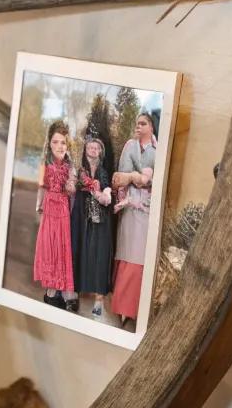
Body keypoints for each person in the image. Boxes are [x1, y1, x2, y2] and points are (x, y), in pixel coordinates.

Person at [111, 111, 157, 330]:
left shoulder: (158, 150)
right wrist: (132, 179)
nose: (138, 126)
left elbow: (152, 180)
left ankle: (135, 311)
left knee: (140, 259)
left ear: (152, 127)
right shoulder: (129, 146)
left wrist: (136, 178)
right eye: (137, 123)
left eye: (143, 123)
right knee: (126, 255)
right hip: (130, 209)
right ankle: (121, 309)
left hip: (148, 211)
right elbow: (121, 178)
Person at [71, 136, 115, 320]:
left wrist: (101, 192)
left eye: (97, 148)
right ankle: (75, 293)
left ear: (101, 152)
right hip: (81, 217)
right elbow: (72, 187)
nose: (94, 150)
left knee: (99, 255)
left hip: (100, 219)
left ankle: (99, 300)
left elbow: (107, 194)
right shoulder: (79, 171)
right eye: (91, 147)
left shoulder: (104, 172)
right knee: (79, 250)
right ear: (85, 149)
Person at [34, 120, 75, 308]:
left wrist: (71, 186)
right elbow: (41, 187)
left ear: (67, 145)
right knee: (50, 247)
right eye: (55, 142)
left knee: (62, 246)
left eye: (63, 142)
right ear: (49, 144)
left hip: (64, 207)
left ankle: (64, 291)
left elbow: (72, 188)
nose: (59, 146)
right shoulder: (45, 164)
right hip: (50, 206)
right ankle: (51, 291)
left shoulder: (70, 165)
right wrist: (39, 207)